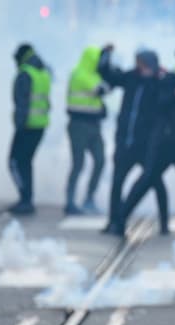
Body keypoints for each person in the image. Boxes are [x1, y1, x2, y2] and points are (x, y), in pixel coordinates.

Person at [111, 44, 175, 238]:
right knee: (146, 181)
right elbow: (157, 103)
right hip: (164, 143)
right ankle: (120, 219)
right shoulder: (170, 80)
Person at [97, 45, 170, 234]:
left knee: (155, 182)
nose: (140, 66)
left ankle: (164, 223)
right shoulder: (131, 78)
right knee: (117, 182)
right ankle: (115, 223)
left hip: (147, 145)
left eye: (143, 63)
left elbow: (169, 101)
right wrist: (105, 55)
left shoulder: (159, 83)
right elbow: (108, 74)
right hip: (125, 142)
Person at [64, 46, 109, 215]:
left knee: (100, 160)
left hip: (94, 125)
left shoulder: (94, 75)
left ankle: (89, 198)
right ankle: (70, 201)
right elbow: (101, 89)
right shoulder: (80, 74)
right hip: (79, 125)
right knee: (78, 164)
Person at [9, 43, 50, 215]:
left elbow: (22, 103)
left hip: (26, 126)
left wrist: (19, 125)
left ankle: (25, 199)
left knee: (14, 162)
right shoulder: (43, 72)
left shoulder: (25, 73)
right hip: (40, 125)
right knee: (26, 162)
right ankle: (27, 198)